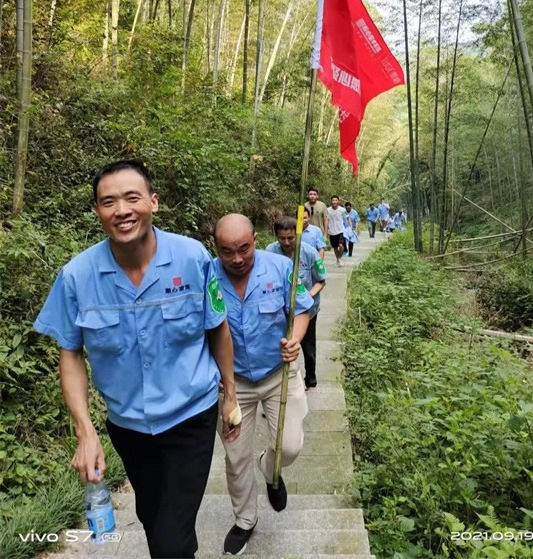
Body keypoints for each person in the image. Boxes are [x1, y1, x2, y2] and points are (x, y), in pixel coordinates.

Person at [33, 160, 240, 559]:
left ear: (153, 202)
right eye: (108, 202)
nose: (122, 210)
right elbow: (70, 352)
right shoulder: (77, 276)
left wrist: (229, 395)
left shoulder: (192, 258)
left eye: (132, 198)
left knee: (169, 540)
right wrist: (85, 431)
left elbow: (218, 328)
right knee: (151, 516)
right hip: (127, 425)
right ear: (97, 211)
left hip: (191, 415)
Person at [213, 214, 313, 556]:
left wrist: (295, 339)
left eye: (244, 248)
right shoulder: (207, 277)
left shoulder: (281, 268)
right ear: (217, 248)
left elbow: (302, 309)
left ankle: (270, 469)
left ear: (255, 240)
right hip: (233, 383)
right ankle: (245, 520)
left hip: (278, 375)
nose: (237, 258)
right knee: (235, 456)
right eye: (228, 251)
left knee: (289, 446)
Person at [267, 216, 327, 390]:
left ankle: (311, 378)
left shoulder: (309, 252)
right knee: (284, 347)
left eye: (291, 238)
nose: (286, 242)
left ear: (297, 235)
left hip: (307, 311)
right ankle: (281, 384)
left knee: (307, 348)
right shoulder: (270, 252)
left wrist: (306, 297)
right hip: (280, 311)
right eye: (282, 238)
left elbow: (321, 281)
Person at [327, 195, 345, 267]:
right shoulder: (328, 210)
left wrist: (350, 227)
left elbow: (347, 217)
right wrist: (327, 230)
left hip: (340, 231)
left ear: (338, 201)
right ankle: (338, 259)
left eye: (336, 200)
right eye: (333, 200)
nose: (334, 202)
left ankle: (339, 258)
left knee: (341, 246)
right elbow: (326, 220)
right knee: (335, 247)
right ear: (331, 201)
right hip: (332, 231)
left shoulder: (343, 210)